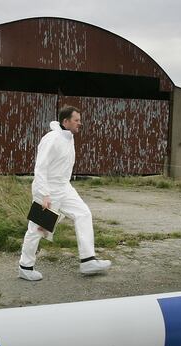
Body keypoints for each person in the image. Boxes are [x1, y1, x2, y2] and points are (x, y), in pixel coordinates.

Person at [18, 105, 111, 281]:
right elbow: (41, 167)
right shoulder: (52, 138)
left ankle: (88, 260)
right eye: (76, 120)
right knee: (37, 229)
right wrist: (44, 194)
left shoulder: (68, 137)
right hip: (48, 189)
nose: (80, 123)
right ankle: (25, 266)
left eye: (79, 120)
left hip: (64, 187)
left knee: (83, 213)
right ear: (65, 121)